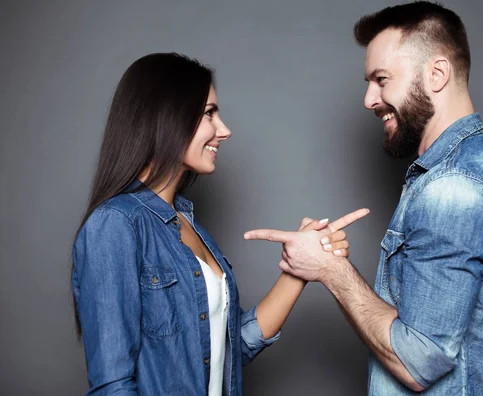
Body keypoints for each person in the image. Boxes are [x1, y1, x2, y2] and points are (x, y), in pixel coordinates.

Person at [244, 2, 483, 395]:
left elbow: (417, 362)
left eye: (381, 79)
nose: (368, 99)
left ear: (437, 74)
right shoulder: (469, 170)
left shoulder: (453, 188)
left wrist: (330, 269)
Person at [70, 52, 369, 395]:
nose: (223, 130)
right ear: (166, 117)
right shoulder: (115, 224)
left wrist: (299, 267)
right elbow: (113, 385)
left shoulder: (187, 223)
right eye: (209, 113)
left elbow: (228, 349)